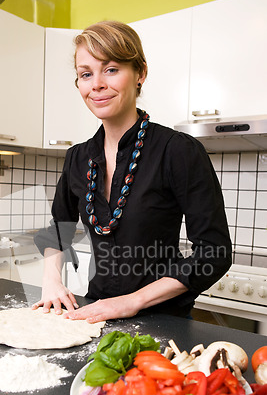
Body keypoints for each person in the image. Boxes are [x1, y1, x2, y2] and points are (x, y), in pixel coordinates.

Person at [33, 21, 232, 323]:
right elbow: (57, 230)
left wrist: (132, 302)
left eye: (111, 69)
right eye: (86, 74)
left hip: (165, 320)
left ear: (140, 74)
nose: (96, 84)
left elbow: (214, 254)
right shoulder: (77, 157)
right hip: (95, 314)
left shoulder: (178, 151)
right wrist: (52, 281)